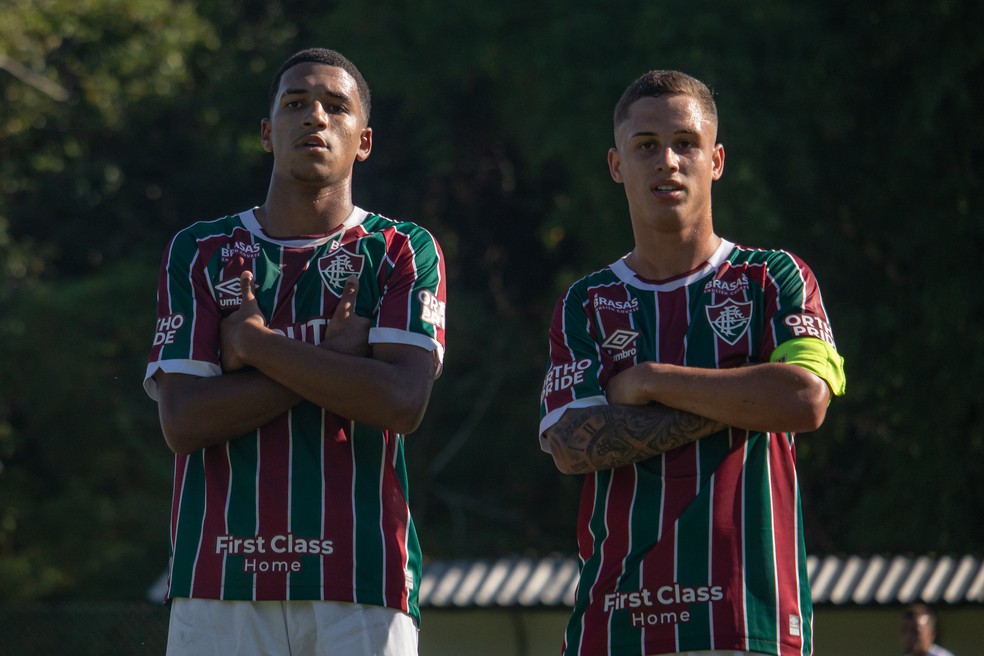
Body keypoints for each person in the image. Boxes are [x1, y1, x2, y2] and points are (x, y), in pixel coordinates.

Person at [144, 48, 446, 656]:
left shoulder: (401, 248)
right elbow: (184, 420)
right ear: (267, 132)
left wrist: (255, 345)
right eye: (296, 103)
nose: (315, 116)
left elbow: (399, 401)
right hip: (218, 583)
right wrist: (338, 364)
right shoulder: (201, 250)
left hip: (362, 582)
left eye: (336, 106)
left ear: (363, 141)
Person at [538, 70, 846, 656]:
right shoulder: (586, 302)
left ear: (717, 159)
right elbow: (572, 444)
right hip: (616, 623)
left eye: (686, 143)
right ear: (616, 165)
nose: (668, 161)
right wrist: (747, 398)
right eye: (646, 146)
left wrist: (651, 379)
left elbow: (805, 399)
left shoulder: (773, 278)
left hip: (749, 620)